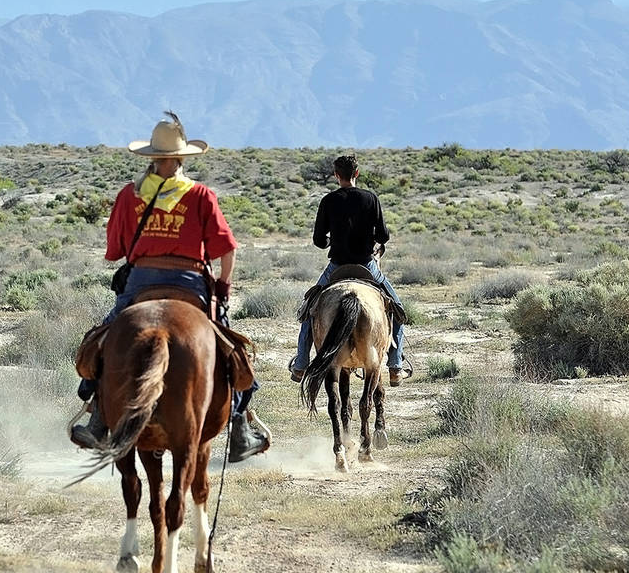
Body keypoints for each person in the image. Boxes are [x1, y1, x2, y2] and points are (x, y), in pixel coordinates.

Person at [71, 111, 269, 462]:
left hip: (140, 281)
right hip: (191, 283)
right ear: (181, 157)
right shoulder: (201, 195)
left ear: (151, 157)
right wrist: (223, 286)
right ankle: (239, 425)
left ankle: (98, 414)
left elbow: (114, 252)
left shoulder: (129, 196)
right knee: (230, 350)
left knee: (104, 340)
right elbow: (226, 248)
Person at [290, 154, 407, 385]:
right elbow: (384, 236)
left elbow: (318, 240)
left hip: (337, 266)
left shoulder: (328, 200)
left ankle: (301, 365)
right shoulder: (370, 198)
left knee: (309, 311)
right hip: (367, 265)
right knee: (397, 310)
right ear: (357, 173)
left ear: (336, 175)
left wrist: (330, 242)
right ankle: (395, 366)